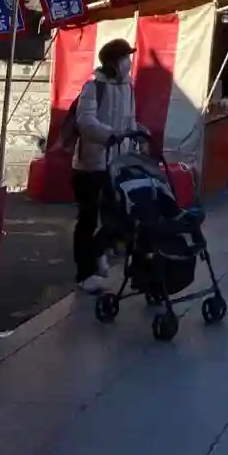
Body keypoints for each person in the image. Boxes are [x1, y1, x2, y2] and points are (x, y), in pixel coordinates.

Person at [63, 37, 133, 293]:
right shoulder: (93, 88)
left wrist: (137, 137)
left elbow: (130, 121)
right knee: (88, 219)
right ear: (114, 62)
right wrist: (109, 135)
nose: (129, 62)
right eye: (125, 58)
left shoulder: (128, 88)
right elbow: (85, 121)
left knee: (119, 216)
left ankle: (98, 250)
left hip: (117, 164)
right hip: (90, 165)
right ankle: (85, 273)